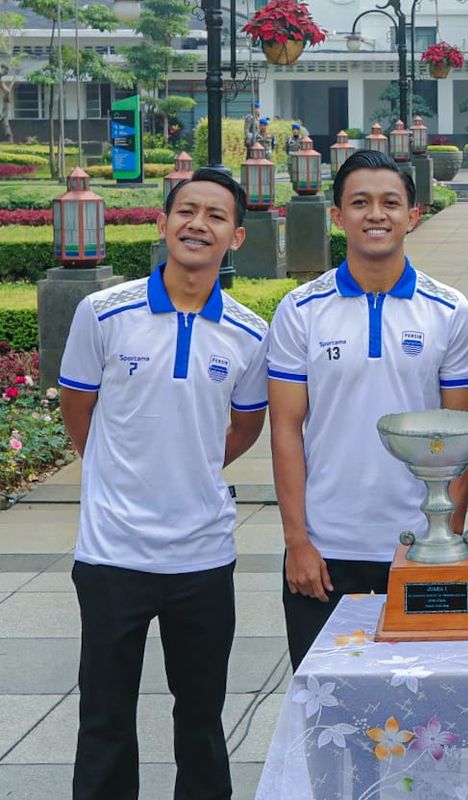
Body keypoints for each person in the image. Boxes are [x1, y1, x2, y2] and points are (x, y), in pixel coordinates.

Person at [59, 168, 268, 799]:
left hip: (202, 556)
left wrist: (190, 464)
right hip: (112, 552)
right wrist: (120, 471)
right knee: (104, 718)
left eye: (216, 216)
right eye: (186, 211)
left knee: (201, 720)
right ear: (163, 223)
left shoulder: (250, 333)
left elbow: (246, 425)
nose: (198, 224)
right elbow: (79, 409)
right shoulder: (103, 312)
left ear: (236, 236)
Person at [268, 149, 468, 670]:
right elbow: (285, 430)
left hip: (417, 548)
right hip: (325, 550)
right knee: (326, 713)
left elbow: (462, 440)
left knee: (424, 718)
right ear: (338, 216)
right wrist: (297, 540)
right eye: (359, 202)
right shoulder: (300, 311)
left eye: (390, 202)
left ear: (413, 215)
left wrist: (447, 544)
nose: (376, 214)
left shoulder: (448, 311)